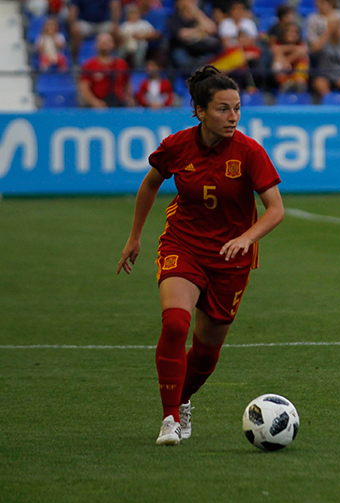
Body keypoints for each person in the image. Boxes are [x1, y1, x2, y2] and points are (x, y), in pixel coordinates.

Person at [117, 65, 284, 446]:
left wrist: (247, 237)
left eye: (237, 108)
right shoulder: (177, 145)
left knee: (207, 355)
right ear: (200, 110)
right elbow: (150, 183)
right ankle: (169, 419)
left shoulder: (249, 151)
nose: (233, 117)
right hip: (184, 244)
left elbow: (275, 209)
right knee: (175, 324)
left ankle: (185, 398)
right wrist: (135, 237)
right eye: (223, 109)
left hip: (231, 259)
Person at [78, 32, 133, 107]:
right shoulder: (89, 65)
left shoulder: (122, 64)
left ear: (113, 44)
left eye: (108, 41)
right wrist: (95, 102)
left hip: (119, 105)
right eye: (102, 42)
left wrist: (130, 99)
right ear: (97, 44)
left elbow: (127, 84)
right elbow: (84, 87)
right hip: (98, 106)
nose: (105, 44)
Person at [167, 0, 221, 71]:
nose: (192, 2)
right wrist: (200, 29)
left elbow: (212, 29)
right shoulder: (175, 17)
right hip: (184, 50)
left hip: (203, 49)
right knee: (182, 58)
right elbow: (182, 35)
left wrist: (198, 14)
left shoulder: (203, 15)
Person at [118, 2, 161, 68]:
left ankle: (138, 68)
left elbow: (153, 32)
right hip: (127, 45)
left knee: (141, 48)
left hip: (140, 44)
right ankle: (119, 66)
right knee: (120, 49)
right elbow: (120, 35)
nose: (134, 16)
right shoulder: (125, 25)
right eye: (131, 14)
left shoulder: (143, 24)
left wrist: (141, 36)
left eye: (136, 14)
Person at [271, 22, 310, 92]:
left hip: (296, 76)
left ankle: (298, 83)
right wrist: (294, 51)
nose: (293, 34)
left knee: (303, 58)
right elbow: (275, 50)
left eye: (296, 32)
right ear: (284, 33)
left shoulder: (301, 44)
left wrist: (287, 60)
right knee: (278, 58)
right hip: (283, 75)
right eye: (290, 31)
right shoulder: (278, 43)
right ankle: (284, 83)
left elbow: (303, 51)